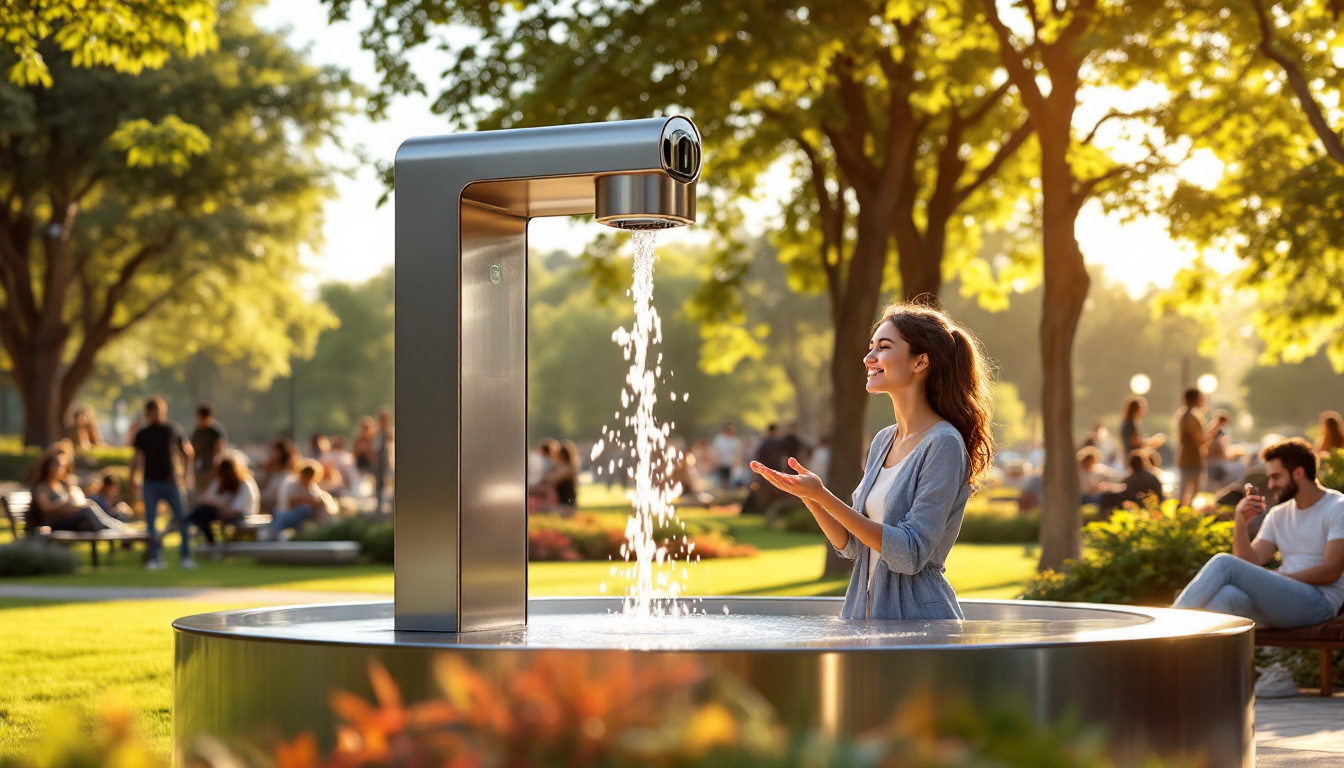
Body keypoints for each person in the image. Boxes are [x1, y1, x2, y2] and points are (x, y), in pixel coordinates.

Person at [751, 301, 993, 620]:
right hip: (864, 619)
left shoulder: (944, 444)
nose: (869, 358)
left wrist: (824, 495)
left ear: (920, 362)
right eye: (870, 347)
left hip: (920, 627)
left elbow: (909, 553)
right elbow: (854, 545)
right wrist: (811, 499)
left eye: (884, 347)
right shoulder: (883, 440)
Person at [1174, 438, 1344, 629]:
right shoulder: (1278, 514)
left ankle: (1164, 630)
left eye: (1276, 477)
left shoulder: (1337, 508)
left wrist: (1282, 577)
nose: (1270, 485)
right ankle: (1178, 653)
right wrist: (1240, 522)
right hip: (1281, 601)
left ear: (1298, 473)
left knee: (1224, 563)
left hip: (1318, 603)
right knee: (1226, 597)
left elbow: (1331, 571)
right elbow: (1249, 562)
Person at [129, 396, 195, 569]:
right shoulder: (143, 433)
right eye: (151, 413)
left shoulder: (172, 429)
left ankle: (186, 555)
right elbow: (135, 458)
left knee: (182, 518)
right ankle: (155, 557)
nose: (154, 417)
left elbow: (187, 452)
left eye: (156, 413)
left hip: (171, 481)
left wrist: (186, 475)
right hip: (150, 482)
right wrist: (132, 478)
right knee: (151, 521)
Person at [30, 454, 128, 533]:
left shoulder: (61, 485)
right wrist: (65, 501)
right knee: (87, 509)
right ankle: (109, 530)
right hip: (54, 522)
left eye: (62, 466)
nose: (60, 469)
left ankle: (116, 526)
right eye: (57, 465)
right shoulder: (42, 487)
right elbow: (46, 508)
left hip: (66, 517)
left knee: (89, 503)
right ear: (48, 467)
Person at [186, 455, 260, 551]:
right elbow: (206, 498)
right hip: (224, 512)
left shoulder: (245, 484)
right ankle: (187, 524)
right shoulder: (220, 481)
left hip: (242, 514)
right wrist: (220, 505)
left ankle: (184, 523)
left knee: (203, 512)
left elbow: (237, 508)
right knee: (203, 512)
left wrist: (219, 505)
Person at [266, 460, 337, 539]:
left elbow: (318, 500)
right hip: (285, 512)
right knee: (304, 509)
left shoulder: (312, 486)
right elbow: (291, 502)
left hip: (301, 518)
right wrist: (307, 501)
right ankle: (274, 533)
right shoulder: (291, 484)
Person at [1175, 388, 1209, 507]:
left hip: (1185, 459)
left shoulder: (1183, 415)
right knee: (1192, 494)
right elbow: (1200, 440)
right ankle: (1188, 518)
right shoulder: (1192, 417)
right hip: (1192, 460)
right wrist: (1216, 426)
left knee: (1183, 492)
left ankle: (1183, 516)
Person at [189, 403, 228, 498]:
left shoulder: (215, 431)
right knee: (199, 492)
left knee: (211, 492)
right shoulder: (197, 432)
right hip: (199, 467)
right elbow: (192, 449)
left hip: (211, 468)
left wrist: (216, 466)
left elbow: (219, 450)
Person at [256, 437, 299, 513]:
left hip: (275, 509)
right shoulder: (267, 471)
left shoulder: (286, 476)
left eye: (275, 451)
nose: (271, 454)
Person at [546, 440, 580, 512]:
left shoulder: (569, 468)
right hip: (560, 501)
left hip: (566, 502)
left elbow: (554, 480)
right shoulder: (558, 467)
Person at [373, 407, 394, 513]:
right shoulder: (378, 432)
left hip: (388, 460)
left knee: (389, 481)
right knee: (379, 482)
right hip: (379, 461)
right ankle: (380, 504)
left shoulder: (389, 431)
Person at [711, 422, 742, 489]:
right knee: (720, 481)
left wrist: (736, 464)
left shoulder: (735, 440)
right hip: (721, 463)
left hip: (731, 464)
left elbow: (737, 453)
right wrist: (716, 462)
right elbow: (716, 452)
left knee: (730, 482)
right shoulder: (719, 439)